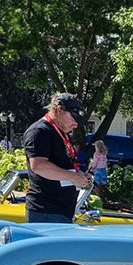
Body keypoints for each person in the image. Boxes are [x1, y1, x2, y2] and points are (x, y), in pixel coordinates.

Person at [22, 92, 91, 222]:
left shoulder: (61, 133)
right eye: (74, 119)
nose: (76, 125)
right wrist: (73, 177)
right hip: (45, 211)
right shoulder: (39, 131)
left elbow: (61, 165)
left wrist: (79, 175)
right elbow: (38, 166)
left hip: (59, 211)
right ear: (59, 110)